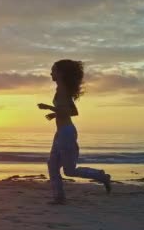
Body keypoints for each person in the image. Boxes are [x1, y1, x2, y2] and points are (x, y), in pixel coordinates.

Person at [38, 59, 111, 204]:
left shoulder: (63, 90)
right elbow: (73, 111)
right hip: (62, 132)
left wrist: (49, 108)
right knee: (52, 165)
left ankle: (101, 176)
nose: (51, 73)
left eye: (53, 70)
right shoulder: (61, 89)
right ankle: (59, 198)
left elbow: (67, 111)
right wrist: (55, 114)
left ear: (60, 73)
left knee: (69, 170)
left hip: (66, 133)